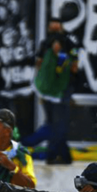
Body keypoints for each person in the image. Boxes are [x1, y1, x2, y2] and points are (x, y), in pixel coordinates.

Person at [34, 18, 79, 164]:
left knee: (59, 123)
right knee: (55, 123)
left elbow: (74, 65)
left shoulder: (68, 44)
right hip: (51, 91)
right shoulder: (45, 45)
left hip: (62, 90)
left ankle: (55, 154)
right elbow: (39, 64)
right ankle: (62, 155)